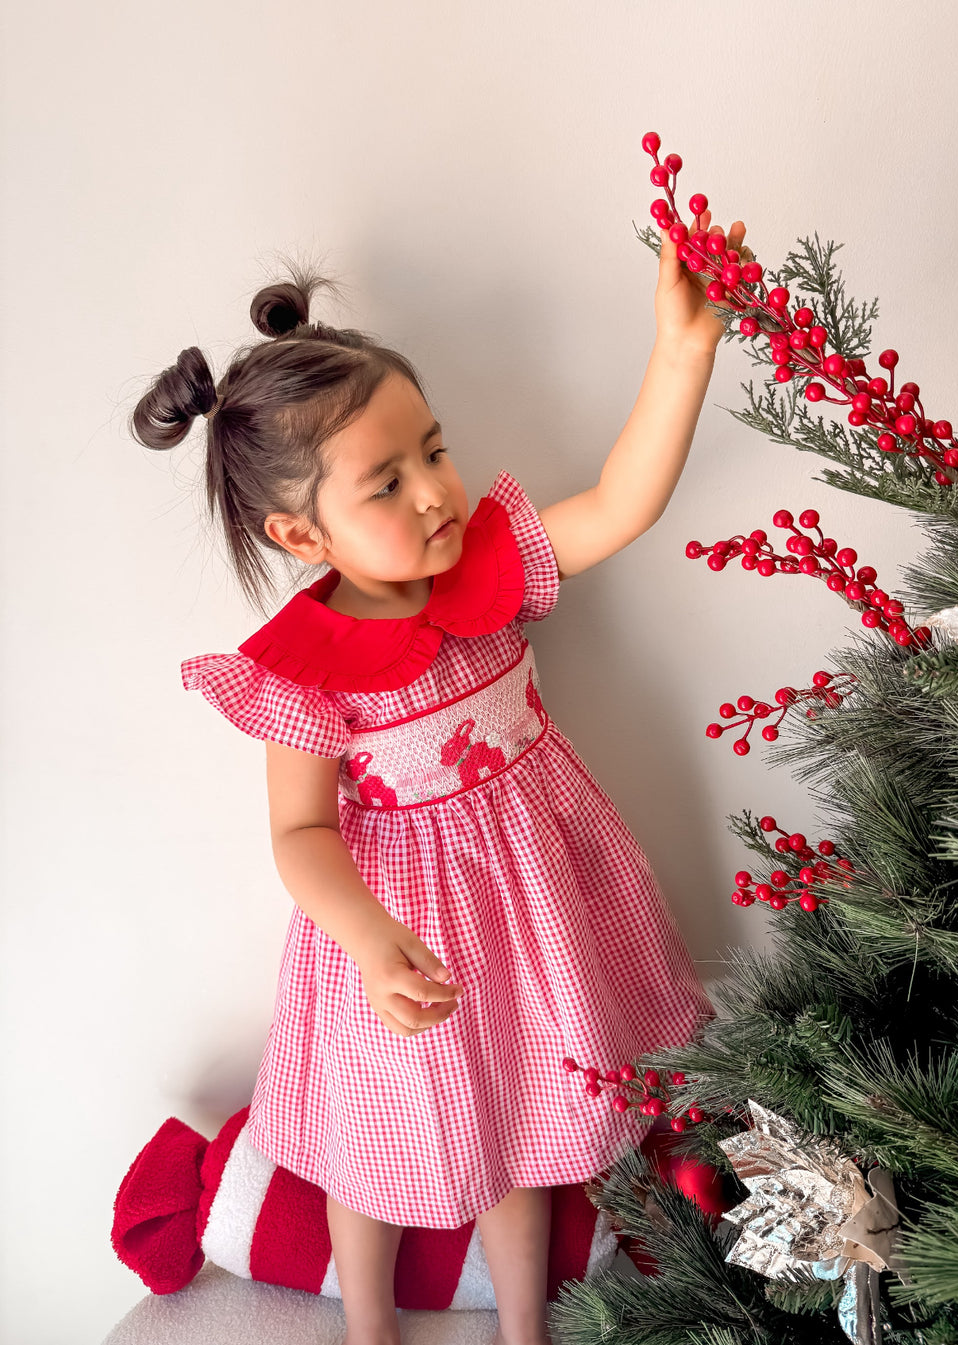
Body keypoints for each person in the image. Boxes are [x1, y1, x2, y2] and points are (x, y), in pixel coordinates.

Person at [131, 212, 748, 1345]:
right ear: (300, 532)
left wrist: (682, 353)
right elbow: (301, 834)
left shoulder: (486, 575)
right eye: (385, 482)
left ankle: (525, 1325)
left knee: (525, 1129)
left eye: (434, 450)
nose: (433, 493)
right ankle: (367, 1326)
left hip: (536, 927)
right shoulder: (307, 670)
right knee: (380, 1149)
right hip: (399, 943)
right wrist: (369, 942)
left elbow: (621, 502)